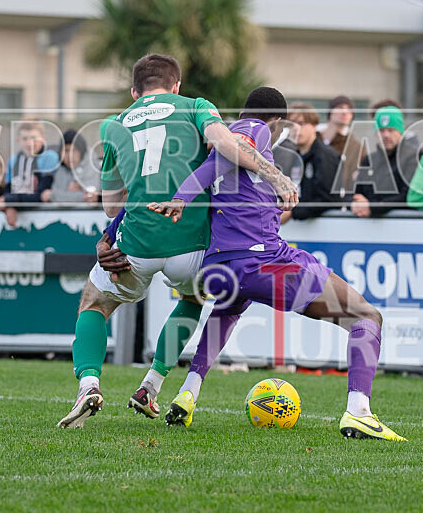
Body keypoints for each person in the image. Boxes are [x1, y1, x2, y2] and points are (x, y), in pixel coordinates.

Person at [149, 87, 406, 441]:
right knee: (366, 316)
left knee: (229, 308)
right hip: (265, 262)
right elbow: (237, 148)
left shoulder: (229, 139)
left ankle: (188, 393)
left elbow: (217, 168)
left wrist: (184, 197)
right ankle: (359, 412)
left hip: (222, 265)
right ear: (277, 121)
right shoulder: (254, 127)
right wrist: (274, 178)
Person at [57, 55, 298, 429]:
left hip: (136, 243)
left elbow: (110, 206)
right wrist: (274, 174)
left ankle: (88, 383)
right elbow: (226, 144)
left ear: (135, 92)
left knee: (94, 304)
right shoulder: (197, 107)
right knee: (192, 298)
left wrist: (109, 236)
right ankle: (151, 385)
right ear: (176, 86)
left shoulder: (114, 124)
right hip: (192, 243)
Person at [351, 105, 419, 217]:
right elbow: (355, 192)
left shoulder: (414, 158)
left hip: (403, 227)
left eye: (391, 130)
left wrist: (372, 207)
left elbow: (408, 196)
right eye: (381, 131)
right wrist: (356, 204)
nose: (386, 135)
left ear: (400, 132)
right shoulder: (369, 160)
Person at [278, 103, 341, 223]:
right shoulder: (292, 157)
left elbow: (329, 199)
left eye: (301, 123)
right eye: (291, 125)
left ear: (314, 125)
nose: (296, 129)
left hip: (326, 231)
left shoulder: (325, 156)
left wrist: (293, 212)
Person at [0, 121, 60, 226]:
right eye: (25, 139)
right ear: (18, 140)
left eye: (33, 138)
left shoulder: (49, 158)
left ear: (43, 138)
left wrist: (8, 201)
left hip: (47, 220)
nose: (29, 143)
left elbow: (40, 196)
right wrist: (10, 206)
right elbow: (9, 191)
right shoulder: (14, 161)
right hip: (22, 223)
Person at [317, 95, 363, 194]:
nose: (345, 112)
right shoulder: (314, 138)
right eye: (340, 107)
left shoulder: (356, 147)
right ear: (330, 112)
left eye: (349, 110)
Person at [42, 130, 99, 204]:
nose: (70, 156)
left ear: (81, 151)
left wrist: (53, 195)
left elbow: (90, 198)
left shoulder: (91, 165)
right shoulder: (61, 167)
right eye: (66, 151)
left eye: (74, 150)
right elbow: (49, 196)